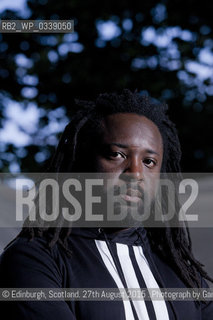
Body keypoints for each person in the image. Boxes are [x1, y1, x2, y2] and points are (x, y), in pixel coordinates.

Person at [0, 89, 212, 319]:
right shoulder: (32, 259)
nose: (135, 173)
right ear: (81, 162)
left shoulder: (181, 270)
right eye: (117, 155)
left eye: (149, 161)